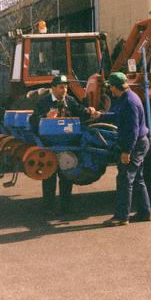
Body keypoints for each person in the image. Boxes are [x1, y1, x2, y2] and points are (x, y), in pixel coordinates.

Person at [32, 74, 94, 213]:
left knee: (67, 175)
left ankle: (66, 206)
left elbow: (81, 112)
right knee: (49, 176)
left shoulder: (70, 101)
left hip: (68, 144)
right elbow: (33, 121)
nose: (64, 90)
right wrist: (45, 117)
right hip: (50, 145)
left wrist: (90, 111)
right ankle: (48, 207)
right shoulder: (43, 103)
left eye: (66, 87)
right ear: (53, 88)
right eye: (61, 87)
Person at [98, 72, 151, 226]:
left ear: (116, 87)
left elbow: (133, 130)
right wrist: (99, 116)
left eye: (111, 87)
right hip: (140, 142)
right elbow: (116, 115)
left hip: (135, 144)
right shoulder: (125, 98)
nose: (110, 90)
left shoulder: (129, 102)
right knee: (138, 179)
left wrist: (127, 152)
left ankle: (121, 217)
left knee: (124, 179)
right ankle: (144, 213)